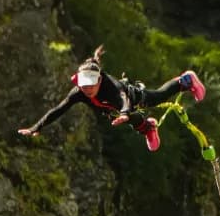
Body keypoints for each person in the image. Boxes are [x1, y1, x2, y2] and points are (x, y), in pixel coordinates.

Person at [16, 45, 206, 152]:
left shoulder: (110, 85)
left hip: (130, 98)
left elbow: (122, 97)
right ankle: (148, 127)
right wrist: (36, 128)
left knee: (158, 97)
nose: (88, 89)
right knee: (132, 121)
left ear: (99, 79)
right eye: (84, 84)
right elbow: (58, 109)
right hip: (115, 111)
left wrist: (124, 112)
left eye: (92, 84)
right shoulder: (79, 92)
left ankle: (186, 80)